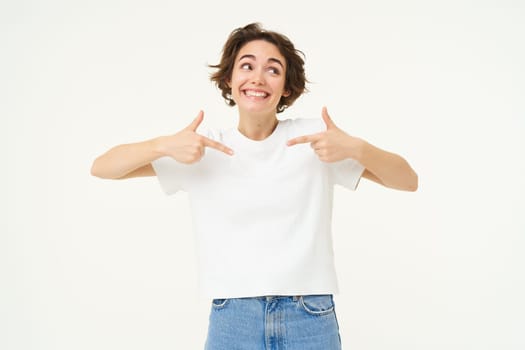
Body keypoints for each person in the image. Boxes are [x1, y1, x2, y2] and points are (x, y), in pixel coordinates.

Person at [91, 22, 418, 350]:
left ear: (286, 88)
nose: (258, 78)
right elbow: (103, 167)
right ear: (229, 80)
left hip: (309, 313)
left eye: (272, 70)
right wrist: (162, 145)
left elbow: (407, 180)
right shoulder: (203, 147)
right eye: (246, 66)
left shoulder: (315, 139)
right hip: (234, 316)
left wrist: (355, 148)